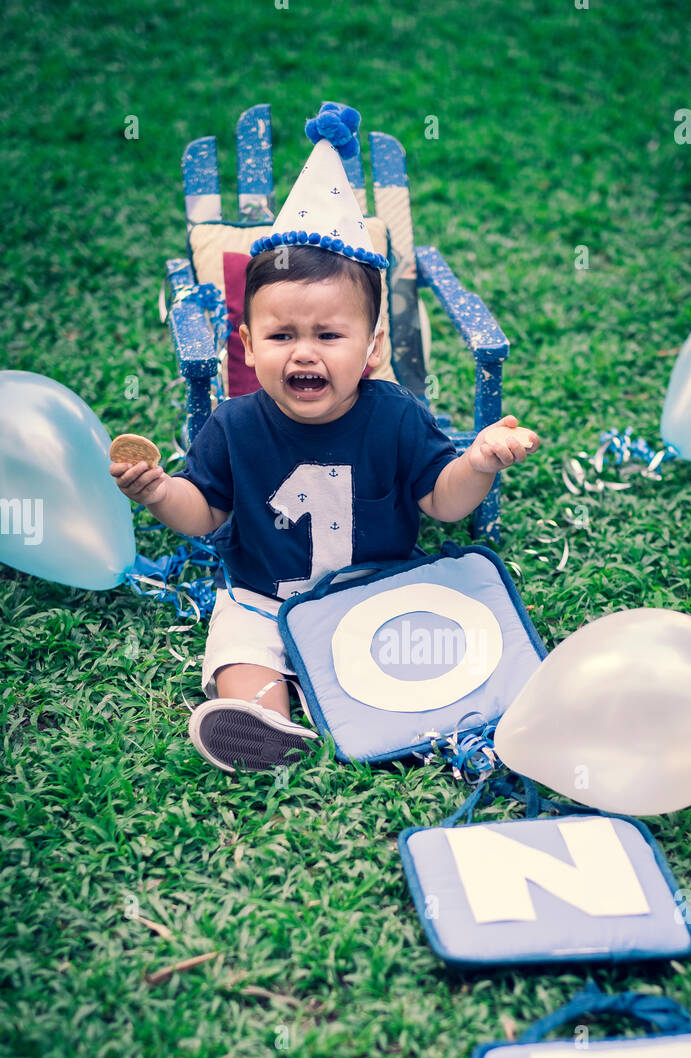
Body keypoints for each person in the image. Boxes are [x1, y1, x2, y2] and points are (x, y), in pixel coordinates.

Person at [110, 101, 539, 773]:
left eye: (329, 336)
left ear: (370, 351)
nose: (304, 353)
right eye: (282, 336)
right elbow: (207, 514)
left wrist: (478, 461)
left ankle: (425, 718)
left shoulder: (395, 415)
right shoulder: (235, 424)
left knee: (419, 654)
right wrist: (161, 491)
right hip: (266, 593)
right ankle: (264, 723)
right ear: (249, 346)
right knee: (241, 646)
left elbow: (443, 503)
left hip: (379, 588)